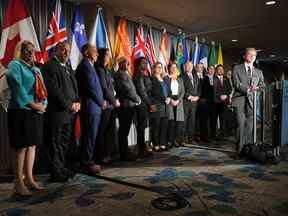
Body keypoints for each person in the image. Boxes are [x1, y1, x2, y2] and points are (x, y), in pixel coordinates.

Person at [6, 40, 47, 195]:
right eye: (27, 51)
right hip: (20, 110)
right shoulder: (15, 65)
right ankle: (18, 183)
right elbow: (17, 88)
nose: (31, 54)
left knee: (32, 145)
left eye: (32, 51)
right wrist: (32, 105)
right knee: (21, 147)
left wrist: (44, 104)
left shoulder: (36, 69)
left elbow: (42, 90)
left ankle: (30, 179)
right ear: (20, 52)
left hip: (35, 112)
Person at [42, 42, 80, 182]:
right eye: (63, 50)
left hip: (69, 112)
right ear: (56, 50)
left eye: (68, 50)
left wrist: (77, 102)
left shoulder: (68, 66)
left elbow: (74, 86)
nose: (66, 53)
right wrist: (70, 105)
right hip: (56, 112)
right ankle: (55, 172)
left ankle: (61, 168)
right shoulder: (49, 66)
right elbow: (54, 91)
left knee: (64, 142)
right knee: (55, 143)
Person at [75, 44, 106, 174]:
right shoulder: (85, 66)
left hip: (94, 106)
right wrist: (101, 102)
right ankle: (87, 163)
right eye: (95, 52)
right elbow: (91, 87)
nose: (97, 54)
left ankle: (88, 161)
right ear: (87, 53)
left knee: (91, 136)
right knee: (89, 136)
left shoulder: (90, 66)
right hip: (90, 106)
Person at [232, 48, 265, 156]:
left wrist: (257, 89)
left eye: (254, 55)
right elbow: (236, 84)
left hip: (252, 102)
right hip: (239, 100)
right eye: (250, 55)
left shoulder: (258, 72)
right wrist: (248, 89)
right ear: (244, 56)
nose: (252, 57)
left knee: (250, 127)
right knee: (240, 125)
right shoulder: (237, 68)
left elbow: (262, 86)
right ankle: (240, 151)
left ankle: (248, 149)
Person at [95, 48, 120, 164]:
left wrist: (115, 100)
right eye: (107, 55)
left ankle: (108, 153)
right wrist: (113, 101)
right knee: (102, 131)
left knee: (110, 131)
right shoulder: (99, 69)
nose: (109, 57)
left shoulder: (107, 70)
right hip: (105, 104)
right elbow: (104, 88)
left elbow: (112, 87)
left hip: (111, 104)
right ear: (101, 56)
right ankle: (101, 155)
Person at [114, 57, 141, 161]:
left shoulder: (125, 74)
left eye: (129, 63)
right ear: (120, 64)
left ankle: (126, 152)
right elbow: (127, 90)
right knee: (124, 131)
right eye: (127, 63)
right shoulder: (120, 74)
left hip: (130, 105)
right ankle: (124, 154)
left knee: (125, 130)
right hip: (125, 105)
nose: (129, 65)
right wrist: (138, 99)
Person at [133, 57, 155, 157]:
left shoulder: (145, 74)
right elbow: (142, 91)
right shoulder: (138, 74)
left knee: (144, 126)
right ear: (138, 64)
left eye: (146, 63)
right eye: (143, 63)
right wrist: (150, 104)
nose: (146, 64)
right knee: (141, 127)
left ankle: (144, 147)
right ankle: (141, 149)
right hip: (142, 104)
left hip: (147, 103)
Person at [165, 62, 185, 148]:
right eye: (172, 67)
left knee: (179, 123)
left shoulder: (180, 79)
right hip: (170, 101)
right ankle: (170, 141)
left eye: (175, 67)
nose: (173, 69)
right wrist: (171, 100)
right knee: (171, 123)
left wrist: (178, 100)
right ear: (169, 68)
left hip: (179, 102)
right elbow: (164, 90)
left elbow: (183, 91)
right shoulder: (166, 78)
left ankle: (177, 140)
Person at [150, 62, 169, 151]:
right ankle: (156, 144)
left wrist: (169, 97)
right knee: (156, 126)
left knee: (164, 125)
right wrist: (164, 99)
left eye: (161, 67)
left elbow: (168, 90)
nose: (160, 69)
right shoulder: (152, 79)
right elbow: (154, 92)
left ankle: (162, 144)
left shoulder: (164, 79)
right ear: (154, 69)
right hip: (157, 104)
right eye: (158, 67)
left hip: (165, 105)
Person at [181, 61, 201, 143]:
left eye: (190, 66)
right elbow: (181, 89)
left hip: (194, 102)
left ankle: (191, 139)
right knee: (185, 121)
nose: (189, 67)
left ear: (193, 67)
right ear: (185, 67)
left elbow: (199, 88)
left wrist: (198, 97)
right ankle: (183, 139)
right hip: (186, 102)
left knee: (192, 121)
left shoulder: (196, 76)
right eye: (187, 66)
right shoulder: (181, 76)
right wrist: (189, 96)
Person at [213, 64, 232, 138]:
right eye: (219, 69)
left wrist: (226, 95)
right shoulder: (213, 78)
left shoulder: (226, 78)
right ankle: (214, 134)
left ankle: (223, 134)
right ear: (216, 70)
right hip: (216, 102)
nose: (221, 70)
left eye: (222, 69)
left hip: (224, 102)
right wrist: (219, 96)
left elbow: (229, 89)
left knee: (223, 118)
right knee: (214, 119)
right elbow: (213, 90)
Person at [199, 65, 216, 142]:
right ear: (207, 70)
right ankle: (204, 136)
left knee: (213, 120)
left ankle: (213, 135)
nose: (212, 70)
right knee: (204, 120)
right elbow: (201, 89)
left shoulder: (216, 79)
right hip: (205, 101)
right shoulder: (204, 78)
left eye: (213, 69)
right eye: (210, 69)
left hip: (214, 102)